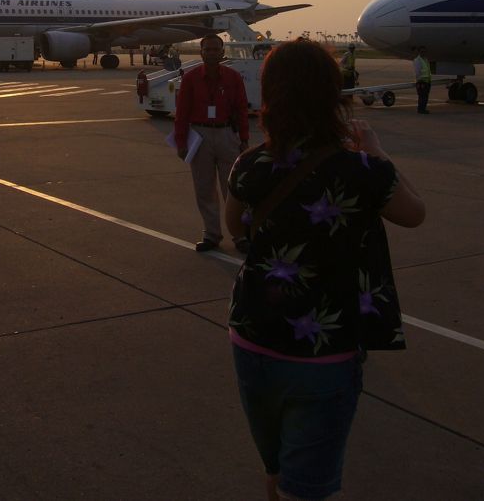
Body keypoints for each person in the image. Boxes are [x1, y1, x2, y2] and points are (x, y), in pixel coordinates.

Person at [225, 39, 425, 501]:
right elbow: (415, 213)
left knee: (276, 470)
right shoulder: (359, 169)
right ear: (330, 94)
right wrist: (376, 152)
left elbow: (235, 225)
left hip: (252, 337)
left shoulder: (251, 164)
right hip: (322, 351)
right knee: (308, 487)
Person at [174, 33, 250, 253]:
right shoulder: (191, 79)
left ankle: (240, 234)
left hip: (226, 133)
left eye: (215, 49)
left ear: (222, 52)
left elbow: (241, 110)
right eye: (207, 49)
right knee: (204, 187)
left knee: (233, 189)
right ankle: (211, 234)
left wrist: (244, 139)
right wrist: (181, 142)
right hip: (200, 135)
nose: (211, 53)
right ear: (201, 53)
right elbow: (182, 113)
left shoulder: (233, 78)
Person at [413, 45, 431, 114]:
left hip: (427, 81)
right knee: (422, 96)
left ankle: (423, 109)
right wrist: (419, 81)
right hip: (421, 81)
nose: (423, 53)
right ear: (419, 52)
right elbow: (417, 72)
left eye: (424, 51)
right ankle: (421, 109)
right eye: (422, 51)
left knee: (425, 96)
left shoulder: (425, 59)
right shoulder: (417, 60)